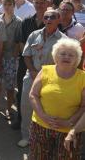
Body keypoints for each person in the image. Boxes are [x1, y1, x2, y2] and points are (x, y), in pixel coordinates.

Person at [18, 8, 67, 148]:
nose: (48, 20)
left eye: (52, 17)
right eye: (46, 17)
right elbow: (26, 55)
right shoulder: (34, 35)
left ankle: (42, 138)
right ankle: (26, 136)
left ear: (59, 20)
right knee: (26, 106)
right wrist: (32, 70)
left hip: (52, 79)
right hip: (32, 75)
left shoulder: (64, 40)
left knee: (46, 108)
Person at [29, 38, 85, 159]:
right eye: (63, 53)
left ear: (77, 59)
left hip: (69, 130)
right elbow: (33, 94)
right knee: (38, 157)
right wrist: (43, 115)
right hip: (40, 126)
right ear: (55, 56)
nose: (67, 57)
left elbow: (84, 107)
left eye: (71, 55)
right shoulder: (46, 71)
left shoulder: (83, 78)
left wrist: (69, 122)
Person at [11, 0, 51, 130]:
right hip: (25, 62)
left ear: (48, 4)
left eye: (42, 2)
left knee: (42, 94)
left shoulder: (52, 21)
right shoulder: (26, 21)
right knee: (22, 91)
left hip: (45, 64)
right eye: (37, 2)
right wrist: (30, 59)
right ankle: (21, 119)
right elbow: (21, 42)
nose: (39, 5)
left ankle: (38, 123)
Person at [0, 0, 22, 118]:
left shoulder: (19, 21)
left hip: (11, 57)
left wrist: (14, 56)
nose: (7, 7)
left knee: (10, 85)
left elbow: (19, 41)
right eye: (5, 5)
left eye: (10, 5)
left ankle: (9, 108)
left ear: (14, 6)